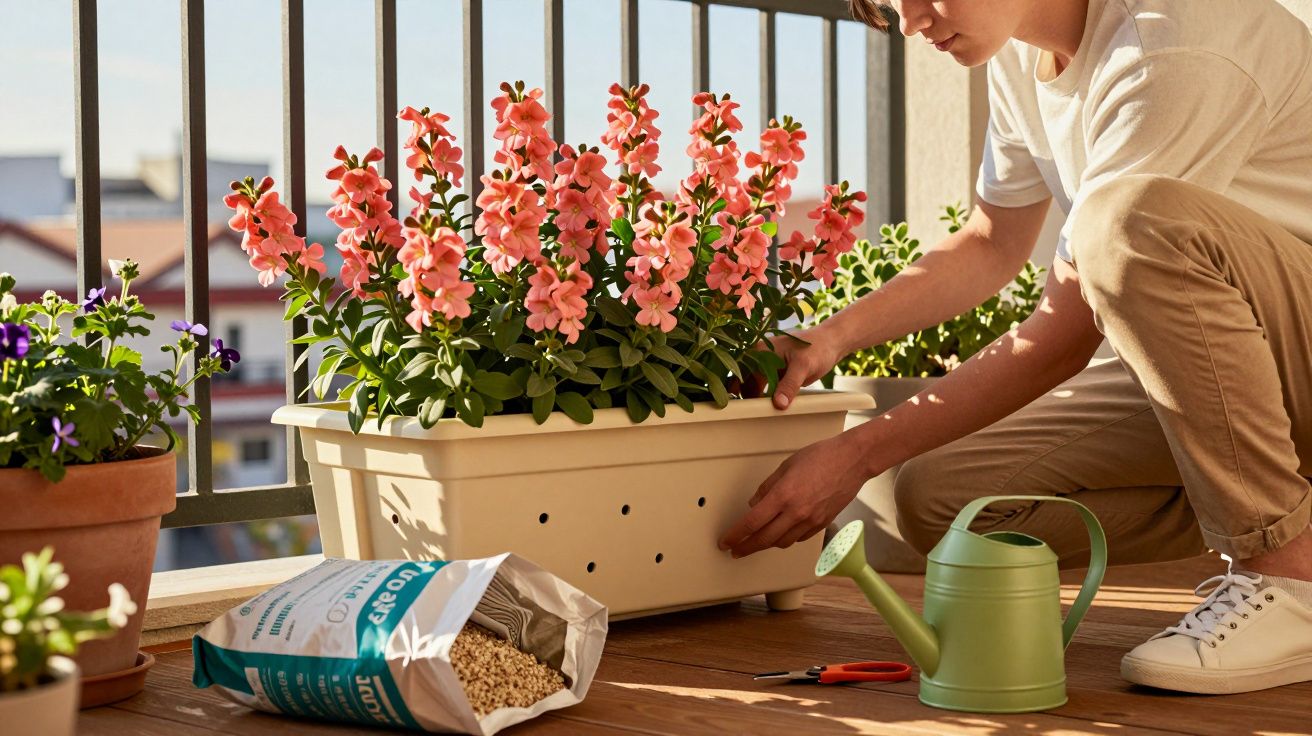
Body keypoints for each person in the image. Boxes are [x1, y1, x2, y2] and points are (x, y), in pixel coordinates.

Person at [719, 0, 1312, 694]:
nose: (909, 22)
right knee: (943, 501)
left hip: (1292, 345)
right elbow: (992, 241)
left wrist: (854, 453)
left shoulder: (1170, 47)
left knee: (1121, 224)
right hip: (1237, 369)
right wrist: (826, 339)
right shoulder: (1022, 59)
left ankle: (1288, 579)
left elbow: (1065, 333)